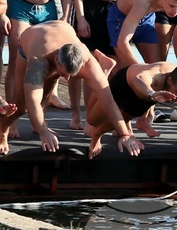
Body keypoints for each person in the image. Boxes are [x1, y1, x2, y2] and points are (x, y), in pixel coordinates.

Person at [0, 22, 143, 158]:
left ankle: (40, 124)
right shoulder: (38, 61)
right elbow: (32, 101)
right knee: (21, 106)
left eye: (71, 75)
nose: (67, 79)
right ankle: (3, 130)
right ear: (56, 59)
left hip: (60, 31)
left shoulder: (87, 60)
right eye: (64, 73)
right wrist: (43, 132)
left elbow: (108, 101)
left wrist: (125, 134)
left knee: (47, 91)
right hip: (31, 39)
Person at [72, 0, 144, 129]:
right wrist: (81, 17)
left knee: (118, 65)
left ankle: (112, 115)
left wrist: (137, 13)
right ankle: (88, 117)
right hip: (94, 7)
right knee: (92, 65)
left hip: (119, 9)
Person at [85, 62, 177, 156]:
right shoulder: (157, 75)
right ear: (169, 80)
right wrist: (151, 94)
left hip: (143, 99)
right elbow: (139, 79)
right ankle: (103, 72)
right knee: (92, 120)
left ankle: (98, 135)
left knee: (125, 116)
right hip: (125, 85)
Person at [108, 0, 177, 67]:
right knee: (125, 67)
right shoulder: (144, 3)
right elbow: (122, 42)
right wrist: (139, 68)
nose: (176, 11)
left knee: (156, 65)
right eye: (172, 6)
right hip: (120, 17)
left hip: (146, 18)